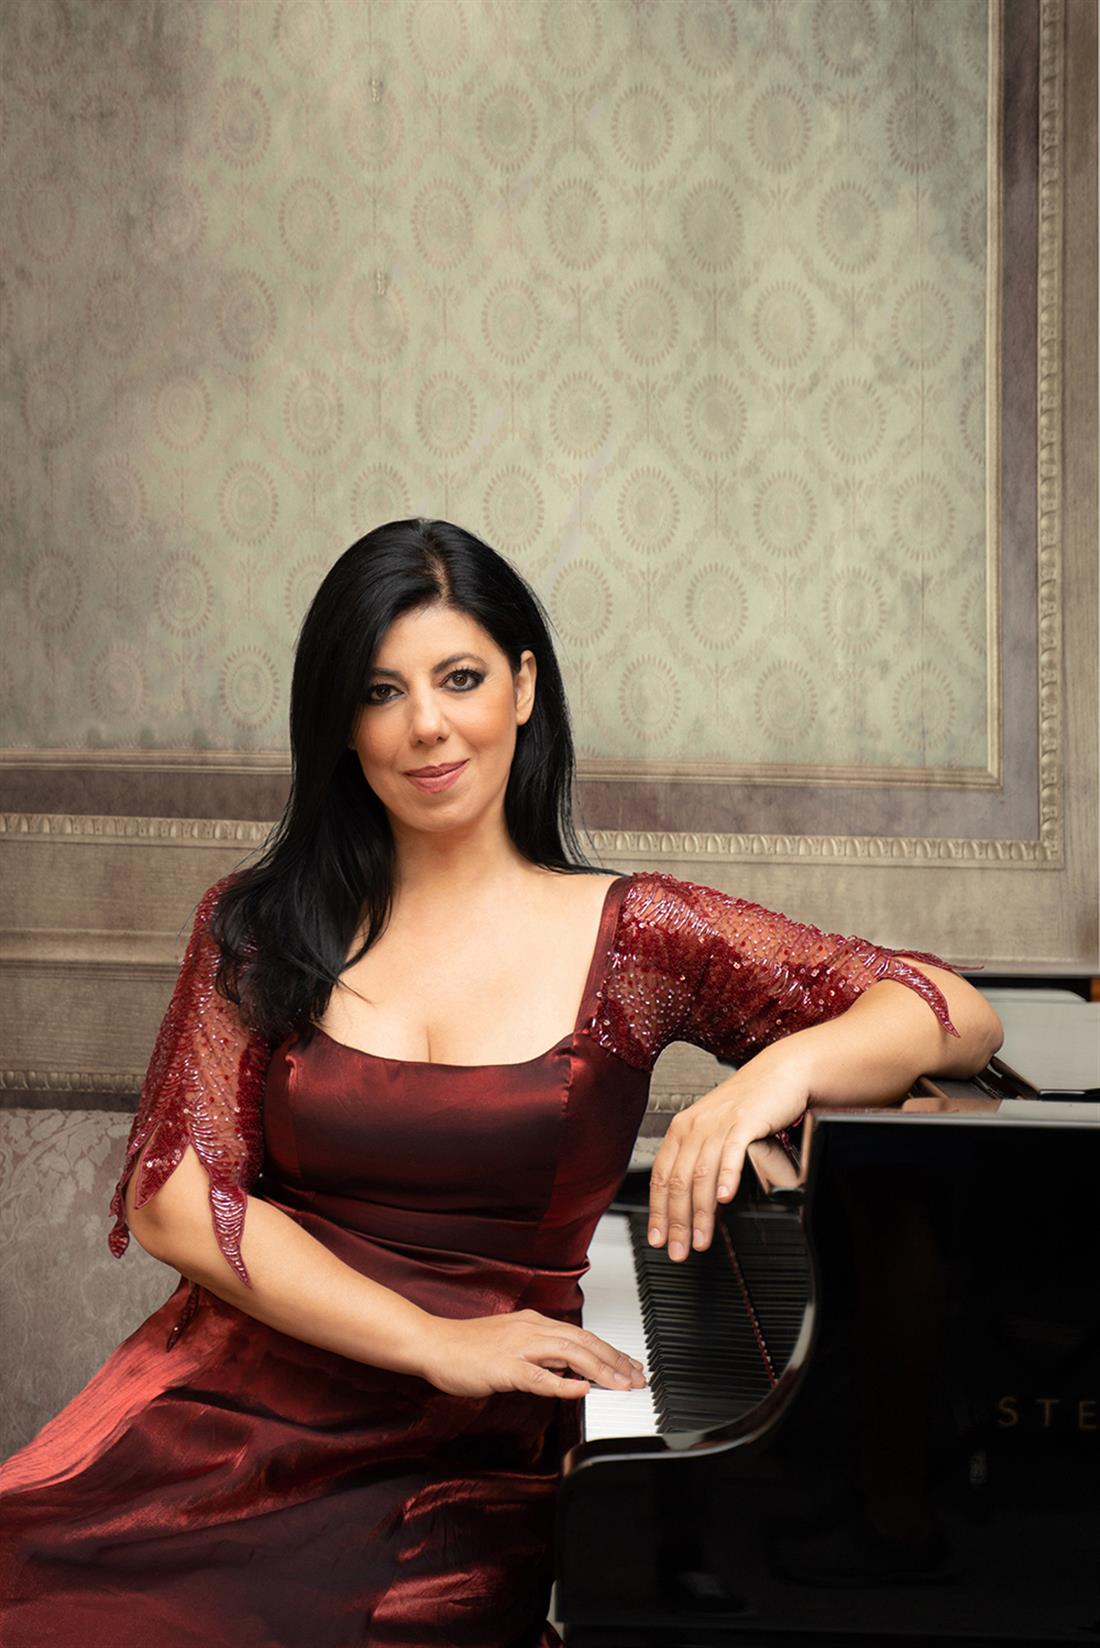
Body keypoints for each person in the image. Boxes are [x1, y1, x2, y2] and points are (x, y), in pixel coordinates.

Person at [0, 518, 1002, 1647]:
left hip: (462, 1457)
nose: (425, 724)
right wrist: (431, 1339)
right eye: (380, 692)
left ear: (522, 687)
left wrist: (770, 1076)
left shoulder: (638, 936)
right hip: (214, 1421)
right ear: (339, 723)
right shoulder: (259, 923)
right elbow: (174, 1198)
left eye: (460, 678)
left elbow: (953, 1011)